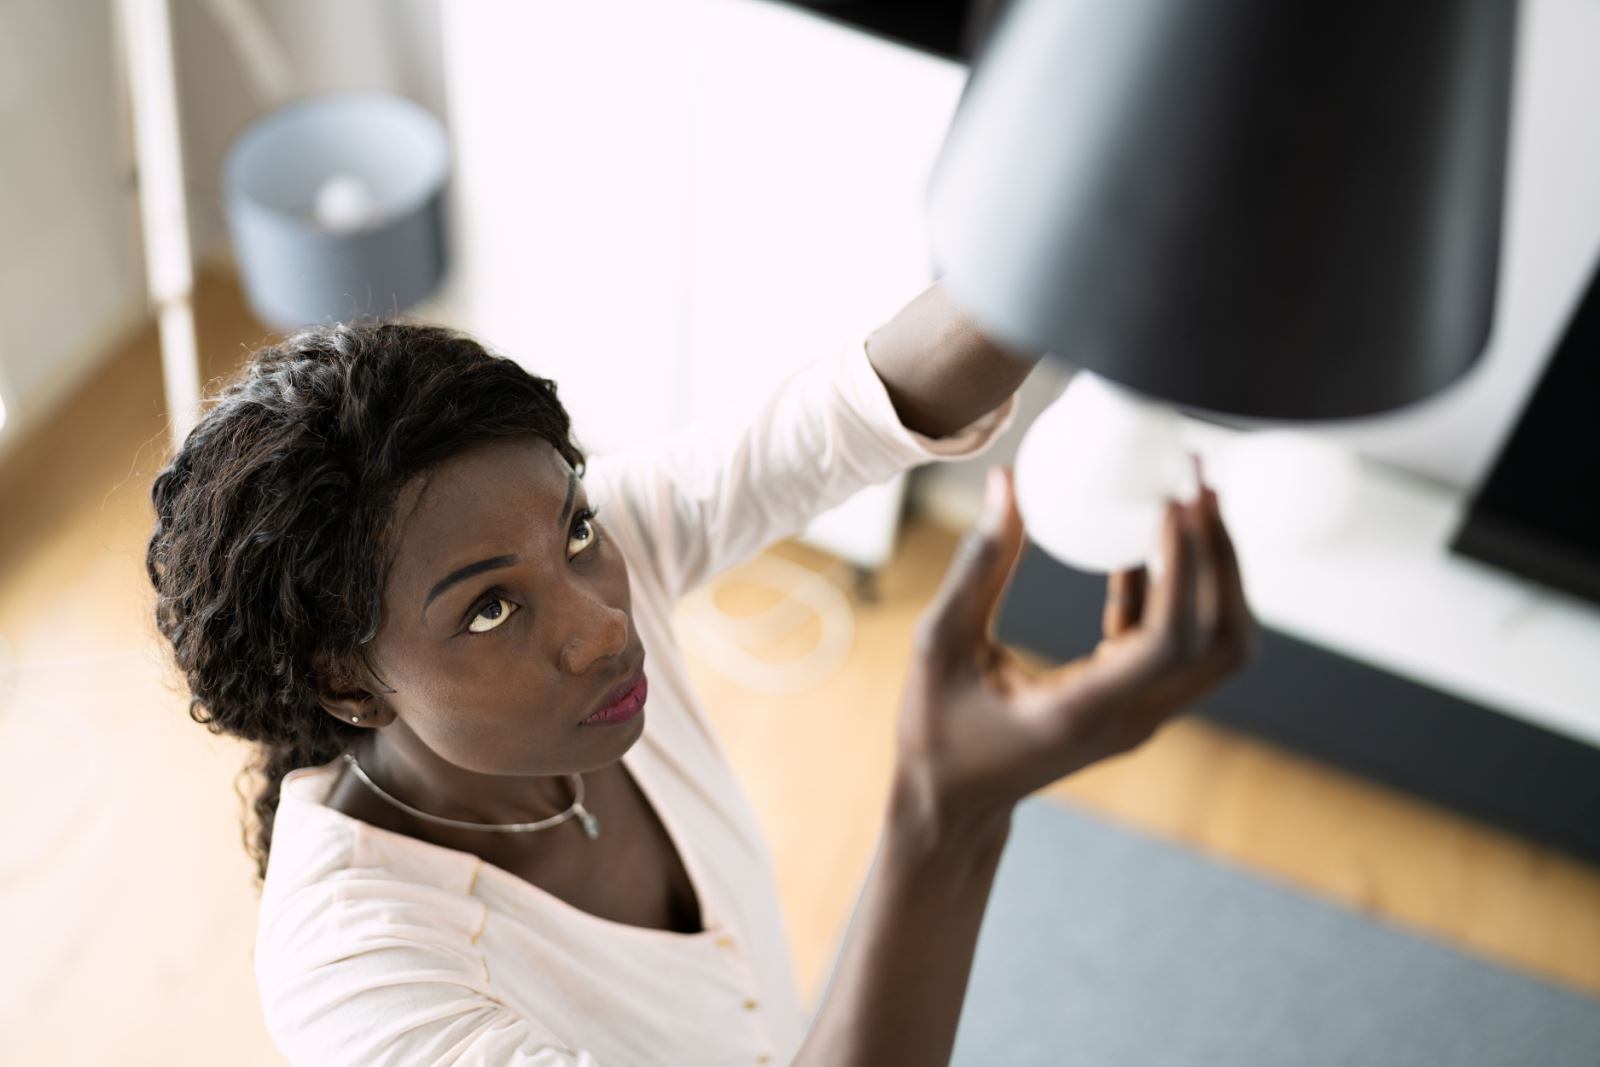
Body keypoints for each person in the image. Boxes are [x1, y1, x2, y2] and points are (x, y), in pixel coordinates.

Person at [146, 281, 1252, 1066]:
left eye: (576, 528)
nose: (600, 627)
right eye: (489, 607)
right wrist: (945, 811)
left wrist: (1074, 241)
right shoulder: (358, 981)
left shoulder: (599, 571)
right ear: (350, 682)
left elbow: (847, 412)